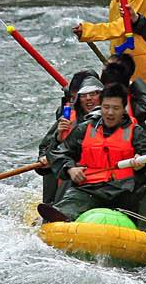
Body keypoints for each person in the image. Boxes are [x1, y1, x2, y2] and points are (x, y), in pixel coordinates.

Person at [39, 86, 146, 227]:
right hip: (91, 190)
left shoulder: (136, 132)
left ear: (123, 109)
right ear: (100, 107)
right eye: (106, 107)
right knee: (72, 202)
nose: (110, 113)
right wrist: (70, 169)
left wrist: (142, 166)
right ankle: (61, 216)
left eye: (116, 108)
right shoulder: (84, 129)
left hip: (126, 191)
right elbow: (60, 153)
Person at [38, 71, 103, 205]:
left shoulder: (117, 115)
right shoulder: (67, 119)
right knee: (64, 168)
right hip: (72, 175)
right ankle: (51, 206)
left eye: (94, 93)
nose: (89, 98)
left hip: (104, 176)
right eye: (84, 95)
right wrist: (57, 139)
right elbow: (47, 151)